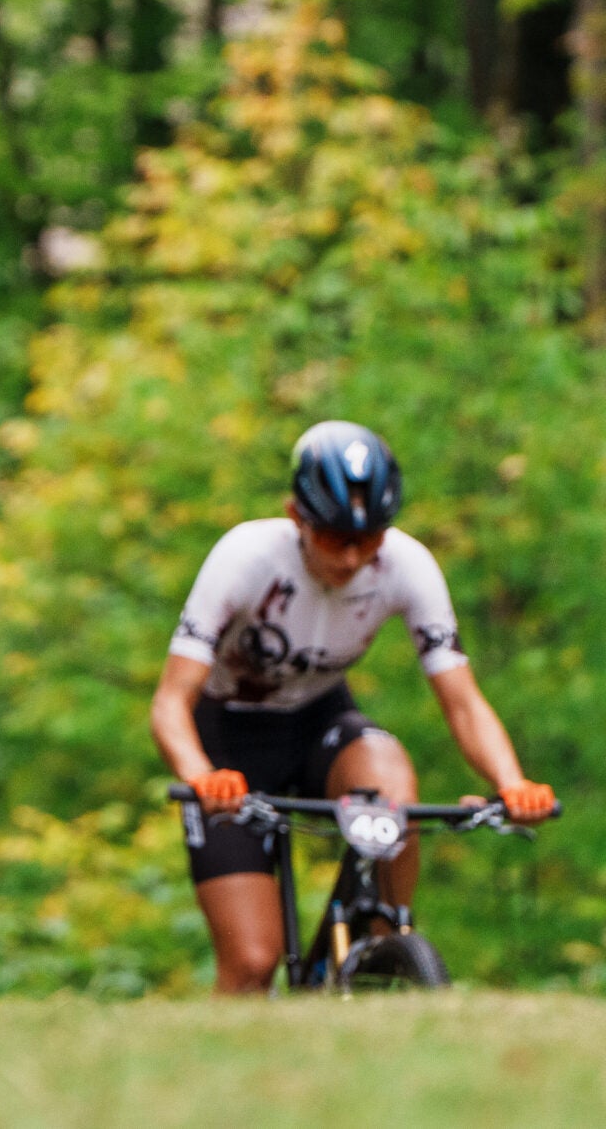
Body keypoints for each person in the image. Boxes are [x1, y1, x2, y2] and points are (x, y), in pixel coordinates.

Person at [150, 422, 554, 995]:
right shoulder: (244, 557)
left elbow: (462, 703)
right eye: (335, 538)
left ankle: (383, 938)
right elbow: (169, 703)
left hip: (319, 721)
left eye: (370, 540)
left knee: (391, 779)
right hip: (225, 740)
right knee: (253, 959)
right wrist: (201, 776)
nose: (352, 557)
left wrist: (512, 783)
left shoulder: (407, 566)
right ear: (297, 516)